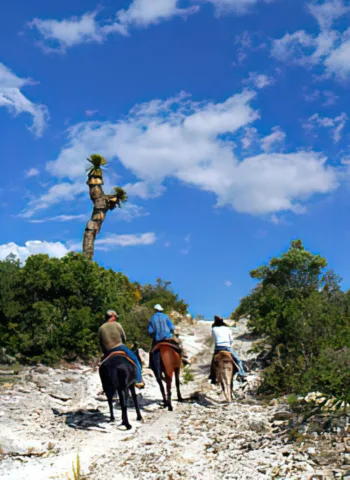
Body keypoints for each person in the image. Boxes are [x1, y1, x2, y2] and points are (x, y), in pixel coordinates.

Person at [98, 310, 144, 389]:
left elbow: (100, 342)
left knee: (102, 366)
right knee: (135, 359)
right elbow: (124, 338)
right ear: (113, 316)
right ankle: (138, 380)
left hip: (108, 350)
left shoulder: (101, 328)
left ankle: (105, 386)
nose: (115, 318)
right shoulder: (117, 325)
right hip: (120, 347)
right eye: (115, 317)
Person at [209, 316, 247, 384]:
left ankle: (213, 377)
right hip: (227, 347)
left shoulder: (214, 329)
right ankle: (242, 374)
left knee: (213, 362)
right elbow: (231, 339)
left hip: (218, 348)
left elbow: (213, 339)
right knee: (238, 360)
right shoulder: (227, 329)